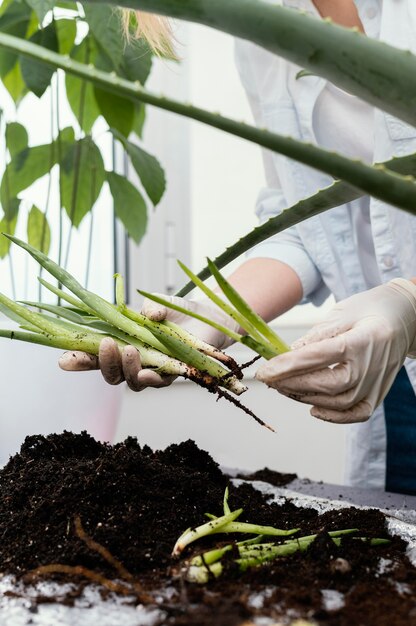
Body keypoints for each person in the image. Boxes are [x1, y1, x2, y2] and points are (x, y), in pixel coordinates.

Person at [61, 0, 416, 495]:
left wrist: (410, 301)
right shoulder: (266, 26)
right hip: (389, 378)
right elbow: (306, 225)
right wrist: (210, 317)